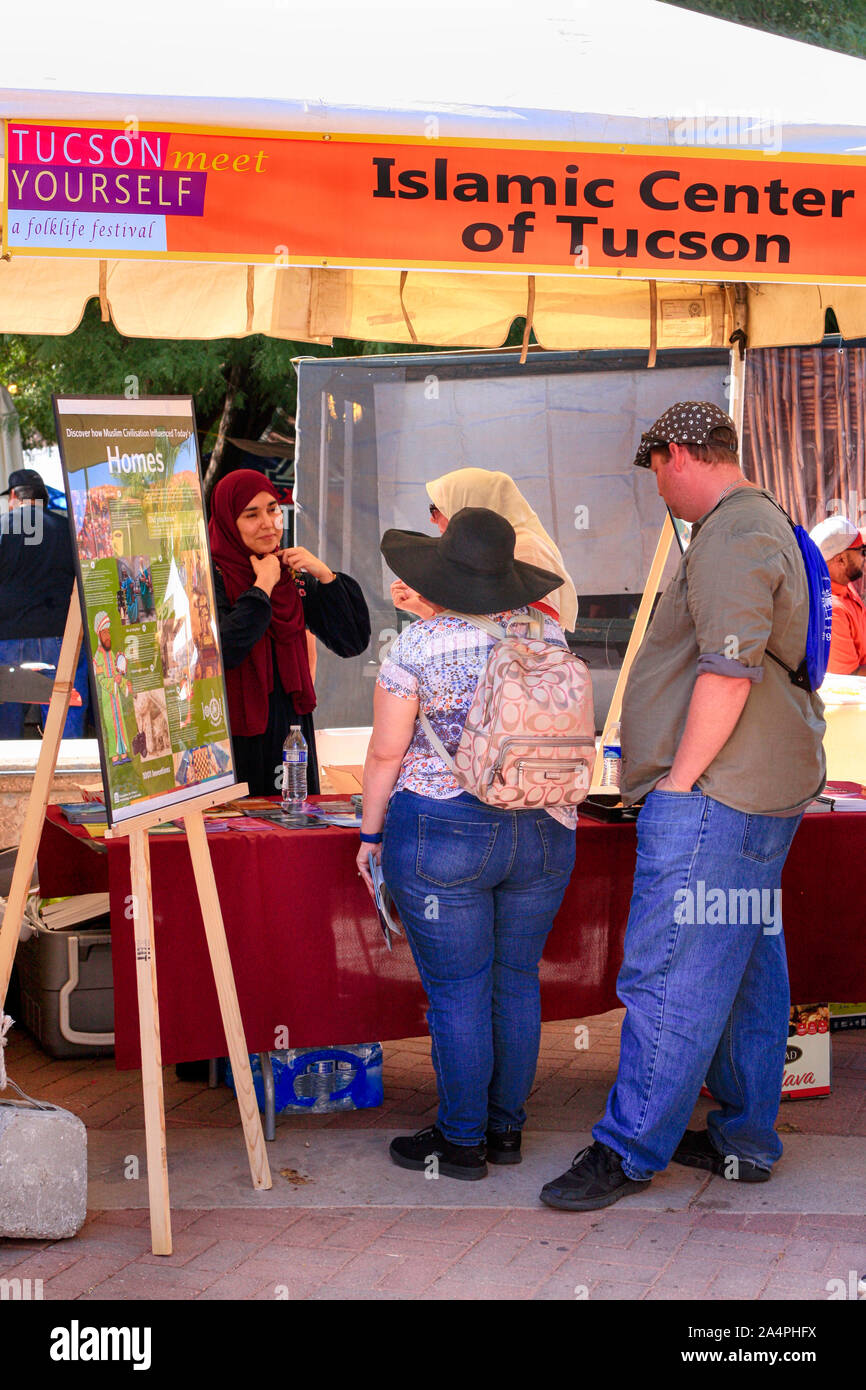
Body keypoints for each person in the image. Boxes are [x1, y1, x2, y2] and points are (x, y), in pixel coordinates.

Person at [540, 402, 825, 1211]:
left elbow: (728, 670)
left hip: (717, 794)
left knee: (671, 974)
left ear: (676, 454)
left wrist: (677, 781)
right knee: (746, 971)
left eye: (656, 472)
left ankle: (629, 1148)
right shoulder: (762, 520)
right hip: (754, 788)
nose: (658, 489)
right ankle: (745, 1140)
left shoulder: (732, 532)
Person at [356, 506, 576, 1181]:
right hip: (544, 826)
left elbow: (385, 753)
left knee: (458, 991)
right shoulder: (548, 633)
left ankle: (460, 1141)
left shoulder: (417, 646)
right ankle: (505, 1130)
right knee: (517, 982)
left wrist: (369, 833)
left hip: (444, 831)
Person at [208, 470, 370, 796]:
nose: (268, 523)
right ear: (228, 521)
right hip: (232, 734)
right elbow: (222, 651)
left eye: (273, 510)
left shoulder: (291, 577)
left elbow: (351, 641)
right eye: (251, 515)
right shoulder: (210, 578)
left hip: (289, 729)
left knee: (295, 817)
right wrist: (261, 587)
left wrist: (325, 576)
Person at [391, 467, 578, 632]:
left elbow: (526, 634)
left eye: (437, 508)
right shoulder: (498, 548)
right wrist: (426, 607)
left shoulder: (526, 548)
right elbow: (485, 633)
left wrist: (434, 608)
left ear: (467, 504)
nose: (432, 518)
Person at [0, 468, 90, 738]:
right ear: (44, 498)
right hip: (60, 636)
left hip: (7, 638)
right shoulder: (68, 528)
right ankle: (68, 762)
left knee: (6, 729)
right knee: (65, 718)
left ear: (14, 496)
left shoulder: (3, 526)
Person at [808, 516, 866, 675]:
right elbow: (850, 677)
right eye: (862, 551)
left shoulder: (841, 583)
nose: (864, 557)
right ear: (841, 560)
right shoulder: (831, 611)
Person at [92, 611, 133, 764]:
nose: (108, 636)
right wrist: (114, 682)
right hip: (107, 697)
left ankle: (124, 754)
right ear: (98, 634)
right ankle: (114, 756)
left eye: (108, 632)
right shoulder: (98, 658)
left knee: (120, 723)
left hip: (116, 698)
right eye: (104, 633)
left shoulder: (112, 654)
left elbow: (118, 672)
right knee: (111, 725)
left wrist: (124, 683)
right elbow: (101, 679)